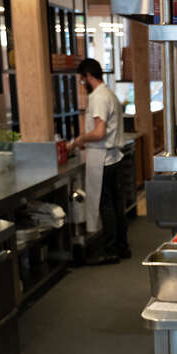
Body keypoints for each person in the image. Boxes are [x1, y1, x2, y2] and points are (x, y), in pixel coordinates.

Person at [72, 58, 130, 264]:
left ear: (88, 76)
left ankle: (111, 250)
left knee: (106, 206)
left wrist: (80, 139)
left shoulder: (98, 97)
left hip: (103, 159)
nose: (82, 84)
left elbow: (98, 132)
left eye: (81, 80)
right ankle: (123, 247)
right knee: (116, 205)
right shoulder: (110, 93)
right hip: (114, 157)